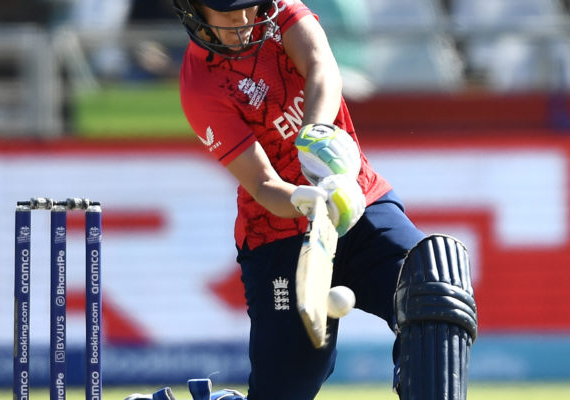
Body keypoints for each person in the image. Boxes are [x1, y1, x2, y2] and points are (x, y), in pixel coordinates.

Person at [126, 1, 478, 399]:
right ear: (195, 11)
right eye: (228, 13)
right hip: (280, 239)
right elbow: (262, 185)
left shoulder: (281, 13)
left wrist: (315, 134)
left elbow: (322, 69)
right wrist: (305, 199)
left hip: (359, 204)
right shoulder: (201, 86)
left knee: (433, 287)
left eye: (249, 6)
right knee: (285, 391)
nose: (244, 21)